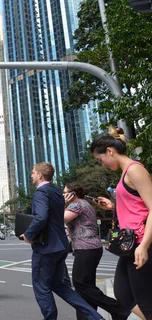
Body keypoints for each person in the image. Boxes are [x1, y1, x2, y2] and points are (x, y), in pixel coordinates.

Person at [21, 162, 102, 320]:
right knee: (60, 286)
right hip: (60, 246)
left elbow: (42, 217)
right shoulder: (57, 192)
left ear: (39, 175)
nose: (31, 176)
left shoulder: (41, 192)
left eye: (32, 173)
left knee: (41, 288)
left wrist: (28, 235)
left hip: (46, 248)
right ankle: (95, 316)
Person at [90, 127, 152, 319]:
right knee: (123, 294)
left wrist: (144, 246)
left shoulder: (135, 170)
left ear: (110, 151)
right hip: (130, 245)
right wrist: (112, 207)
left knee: (145, 302)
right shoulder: (126, 173)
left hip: (141, 244)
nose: (103, 165)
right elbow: (136, 206)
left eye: (101, 160)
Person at [63, 182, 130, 320]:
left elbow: (60, 218)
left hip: (86, 249)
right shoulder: (86, 204)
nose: (63, 195)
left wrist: (62, 204)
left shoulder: (77, 204)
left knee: (80, 284)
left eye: (65, 193)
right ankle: (87, 316)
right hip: (91, 249)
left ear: (72, 194)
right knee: (85, 286)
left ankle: (118, 309)